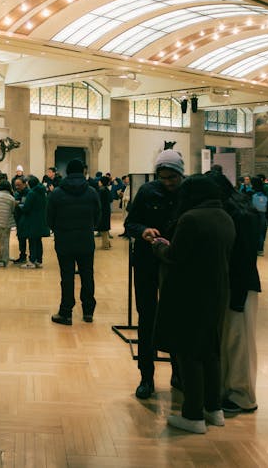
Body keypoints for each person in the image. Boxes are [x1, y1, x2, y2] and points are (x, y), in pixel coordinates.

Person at [155, 175, 235, 434]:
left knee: (189, 353)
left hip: (190, 293)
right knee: (211, 351)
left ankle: (193, 415)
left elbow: (176, 256)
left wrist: (159, 247)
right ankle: (214, 409)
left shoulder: (191, 218)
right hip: (217, 291)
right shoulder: (225, 217)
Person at [124, 149, 185, 399]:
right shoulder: (148, 192)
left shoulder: (188, 194)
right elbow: (130, 223)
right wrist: (143, 231)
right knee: (147, 317)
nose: (168, 182)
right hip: (147, 261)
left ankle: (179, 372)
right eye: (164, 177)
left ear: (181, 174)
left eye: (173, 177)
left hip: (176, 264)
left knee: (176, 318)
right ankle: (146, 376)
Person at [207, 172, 261, 416]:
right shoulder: (238, 207)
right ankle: (232, 391)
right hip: (237, 283)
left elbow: (244, 257)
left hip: (239, 284)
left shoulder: (235, 213)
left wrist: (237, 295)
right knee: (233, 339)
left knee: (238, 341)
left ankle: (242, 396)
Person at [47, 158, 100, 326]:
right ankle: (88, 311)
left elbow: (49, 218)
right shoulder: (91, 191)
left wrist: (59, 229)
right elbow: (98, 216)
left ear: (67, 172)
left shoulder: (57, 193)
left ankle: (66, 312)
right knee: (87, 275)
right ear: (83, 172)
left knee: (67, 276)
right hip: (86, 240)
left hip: (64, 241)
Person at [19, 174, 49, 269]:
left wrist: (20, 207)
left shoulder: (32, 193)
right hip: (40, 219)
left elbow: (27, 208)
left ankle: (31, 261)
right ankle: (38, 261)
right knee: (38, 241)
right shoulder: (42, 192)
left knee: (32, 240)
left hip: (32, 220)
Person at [12, 176, 29, 263]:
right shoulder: (16, 193)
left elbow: (25, 206)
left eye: (19, 185)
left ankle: (33, 258)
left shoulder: (28, 193)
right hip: (18, 219)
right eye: (16, 185)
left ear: (24, 184)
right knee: (21, 238)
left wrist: (18, 204)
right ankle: (22, 255)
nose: (17, 187)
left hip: (27, 219)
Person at [96, 176, 113, 249]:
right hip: (106, 210)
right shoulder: (107, 190)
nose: (98, 182)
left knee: (103, 229)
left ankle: (105, 245)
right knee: (105, 229)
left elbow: (98, 202)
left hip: (102, 211)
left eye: (99, 181)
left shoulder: (101, 190)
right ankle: (107, 243)